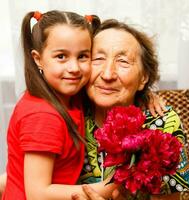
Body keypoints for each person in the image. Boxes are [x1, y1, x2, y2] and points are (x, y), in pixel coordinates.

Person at [2, 10, 121, 200]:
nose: (74, 68)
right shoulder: (43, 116)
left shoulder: (69, 96)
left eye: (83, 56)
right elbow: (38, 194)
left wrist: (146, 96)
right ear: (38, 59)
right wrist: (107, 187)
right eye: (61, 57)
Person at [73, 19, 189, 200]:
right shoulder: (66, 115)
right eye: (98, 59)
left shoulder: (161, 123)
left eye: (123, 62)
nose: (107, 75)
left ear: (144, 78)